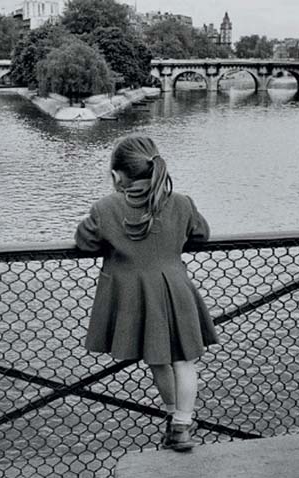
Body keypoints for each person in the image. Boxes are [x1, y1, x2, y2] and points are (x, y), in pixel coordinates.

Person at [74, 135, 219, 452]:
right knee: (185, 361)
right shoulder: (180, 203)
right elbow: (201, 233)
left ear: (116, 176)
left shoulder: (106, 207)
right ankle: (182, 423)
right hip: (176, 293)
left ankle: (171, 414)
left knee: (156, 359)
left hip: (135, 299)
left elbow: (85, 241)